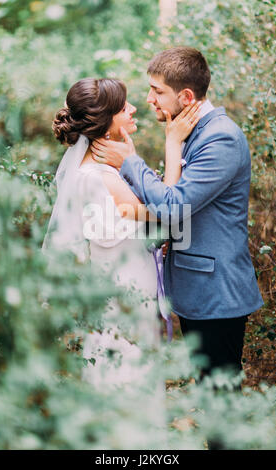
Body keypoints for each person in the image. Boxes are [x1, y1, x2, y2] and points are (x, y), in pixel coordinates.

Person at [90, 47, 264, 377]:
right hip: (194, 288)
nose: (150, 99)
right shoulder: (191, 133)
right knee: (208, 390)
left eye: (157, 91)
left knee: (220, 397)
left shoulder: (220, 138)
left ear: (185, 96)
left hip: (217, 294)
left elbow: (173, 206)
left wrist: (129, 161)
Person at [42, 77, 201, 388]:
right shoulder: (99, 177)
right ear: (104, 121)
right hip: (123, 311)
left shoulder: (104, 171)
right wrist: (172, 143)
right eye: (122, 106)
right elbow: (169, 213)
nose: (134, 108)